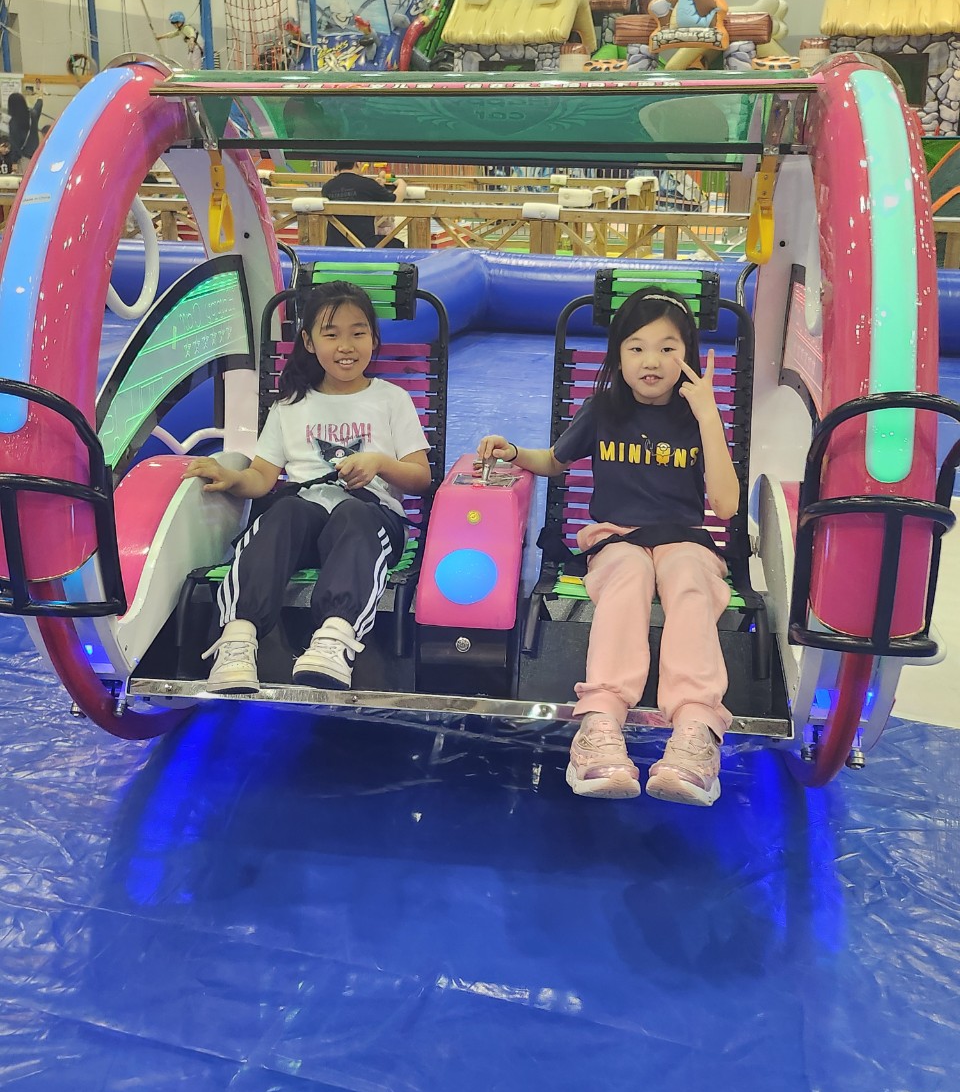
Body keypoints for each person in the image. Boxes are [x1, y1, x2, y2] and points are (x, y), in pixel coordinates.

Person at [476, 288, 740, 807]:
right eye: (637, 347)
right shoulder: (602, 410)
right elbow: (555, 461)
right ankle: (600, 722)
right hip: (617, 538)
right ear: (618, 355)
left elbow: (726, 505)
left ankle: (696, 729)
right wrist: (515, 452)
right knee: (629, 576)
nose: (651, 361)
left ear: (687, 355)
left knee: (690, 580)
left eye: (668, 348)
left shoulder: (697, 417)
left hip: (684, 539)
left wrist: (709, 415)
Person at [183, 280, 431, 694]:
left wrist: (379, 463)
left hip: (371, 521)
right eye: (331, 334)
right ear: (309, 342)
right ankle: (238, 640)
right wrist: (233, 478)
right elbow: (263, 478)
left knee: (353, 512)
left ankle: (334, 639)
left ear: (374, 338)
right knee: (284, 511)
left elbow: (420, 478)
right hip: (306, 519)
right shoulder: (290, 405)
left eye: (358, 333)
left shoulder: (391, 399)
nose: (346, 346)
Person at [321, 158, 407, 249]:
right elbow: (394, 202)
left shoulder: (327, 187)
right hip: (365, 244)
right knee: (398, 245)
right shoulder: (367, 184)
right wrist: (401, 183)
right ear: (357, 163)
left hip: (334, 245)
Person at [6, 88, 44, 168]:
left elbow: (14, 143)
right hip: (37, 157)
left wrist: (14, 161)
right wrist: (40, 97)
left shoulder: (13, 122)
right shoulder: (32, 115)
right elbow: (38, 108)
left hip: (24, 159)